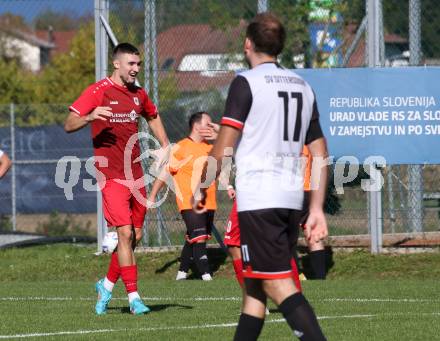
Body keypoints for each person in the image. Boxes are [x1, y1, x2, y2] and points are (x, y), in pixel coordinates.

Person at [193, 13, 328, 340]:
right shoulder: (303, 86)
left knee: (277, 285)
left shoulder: (246, 82)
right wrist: (317, 208)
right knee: (253, 292)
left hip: (260, 201)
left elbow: (224, 146)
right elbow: (321, 153)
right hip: (291, 198)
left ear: (247, 44)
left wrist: (203, 185)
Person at [64, 43, 169, 315]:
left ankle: (107, 285)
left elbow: (153, 116)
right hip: (110, 176)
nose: (136, 69)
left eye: (138, 64)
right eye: (131, 64)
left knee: (135, 236)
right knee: (124, 233)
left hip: (136, 174)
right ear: (117, 64)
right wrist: (89, 116)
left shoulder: (138, 94)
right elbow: (68, 124)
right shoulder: (98, 91)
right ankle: (134, 299)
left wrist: (166, 145)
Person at [149, 112, 219, 281]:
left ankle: (182, 273)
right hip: (189, 202)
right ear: (196, 126)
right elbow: (165, 173)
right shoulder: (180, 147)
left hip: (208, 202)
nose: (211, 127)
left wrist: (219, 136)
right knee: (200, 238)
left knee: (193, 237)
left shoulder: (210, 148)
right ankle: (206, 276)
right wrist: (152, 196)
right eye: (208, 124)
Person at [293, 146, 326, 280]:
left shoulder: (294, 135)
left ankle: (296, 274)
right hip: (310, 191)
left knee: (285, 236)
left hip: (294, 190)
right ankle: (320, 277)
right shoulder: (313, 136)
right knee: (313, 235)